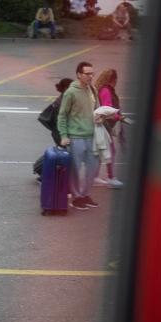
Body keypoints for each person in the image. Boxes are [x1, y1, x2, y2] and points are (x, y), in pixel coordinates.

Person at [57, 61, 101, 210]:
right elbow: (62, 115)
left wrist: (101, 116)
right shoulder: (71, 92)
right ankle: (76, 197)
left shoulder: (92, 89)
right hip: (76, 136)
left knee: (93, 168)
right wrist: (64, 135)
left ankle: (85, 194)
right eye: (87, 74)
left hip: (92, 135)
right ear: (79, 75)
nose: (90, 76)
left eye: (92, 73)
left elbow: (97, 109)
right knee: (75, 170)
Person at [92, 68, 124, 188]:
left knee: (101, 150)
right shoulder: (106, 90)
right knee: (110, 151)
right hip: (104, 125)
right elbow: (108, 109)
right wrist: (119, 117)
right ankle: (111, 178)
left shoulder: (103, 89)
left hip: (104, 125)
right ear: (113, 80)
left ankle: (94, 176)